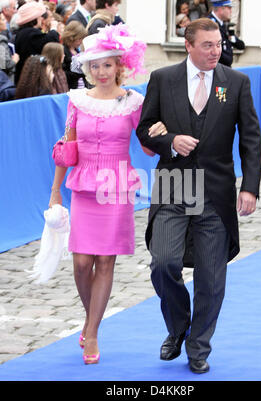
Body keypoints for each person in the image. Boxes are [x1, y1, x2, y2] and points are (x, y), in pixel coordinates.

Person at [136, 18, 261, 374]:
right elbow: (144, 129)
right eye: (207, 45)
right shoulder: (163, 79)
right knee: (163, 263)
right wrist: (169, 141)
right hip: (174, 185)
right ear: (188, 45)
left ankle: (198, 347)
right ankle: (178, 327)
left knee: (211, 278)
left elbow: (251, 138)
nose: (215, 50)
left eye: (218, 44)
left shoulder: (236, 82)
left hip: (216, 191)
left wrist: (249, 186)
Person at [49, 24, 166, 365]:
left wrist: (158, 132)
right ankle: (91, 318)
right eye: (94, 66)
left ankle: (93, 331)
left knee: (104, 261)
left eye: (107, 64)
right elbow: (66, 149)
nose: (101, 72)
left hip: (116, 189)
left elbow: (146, 149)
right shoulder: (76, 101)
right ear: (87, 68)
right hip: (84, 187)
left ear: (120, 65)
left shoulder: (133, 103)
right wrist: (55, 191)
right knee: (82, 263)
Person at [14, 1, 59, 84]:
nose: (42, 19)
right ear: (34, 18)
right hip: (31, 80)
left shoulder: (23, 32)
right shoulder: (31, 34)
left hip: (26, 77)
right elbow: (51, 42)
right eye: (40, 16)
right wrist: (53, 29)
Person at [208, 0, 245, 67]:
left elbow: (241, 46)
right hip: (217, 69)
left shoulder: (223, 24)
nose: (231, 11)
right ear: (221, 8)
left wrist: (232, 38)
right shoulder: (210, 24)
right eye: (229, 8)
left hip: (224, 68)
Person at [61, 20, 87, 89]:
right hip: (71, 88)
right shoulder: (63, 51)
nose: (81, 42)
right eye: (79, 39)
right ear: (71, 37)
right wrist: (79, 73)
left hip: (82, 87)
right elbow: (63, 73)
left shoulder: (77, 51)